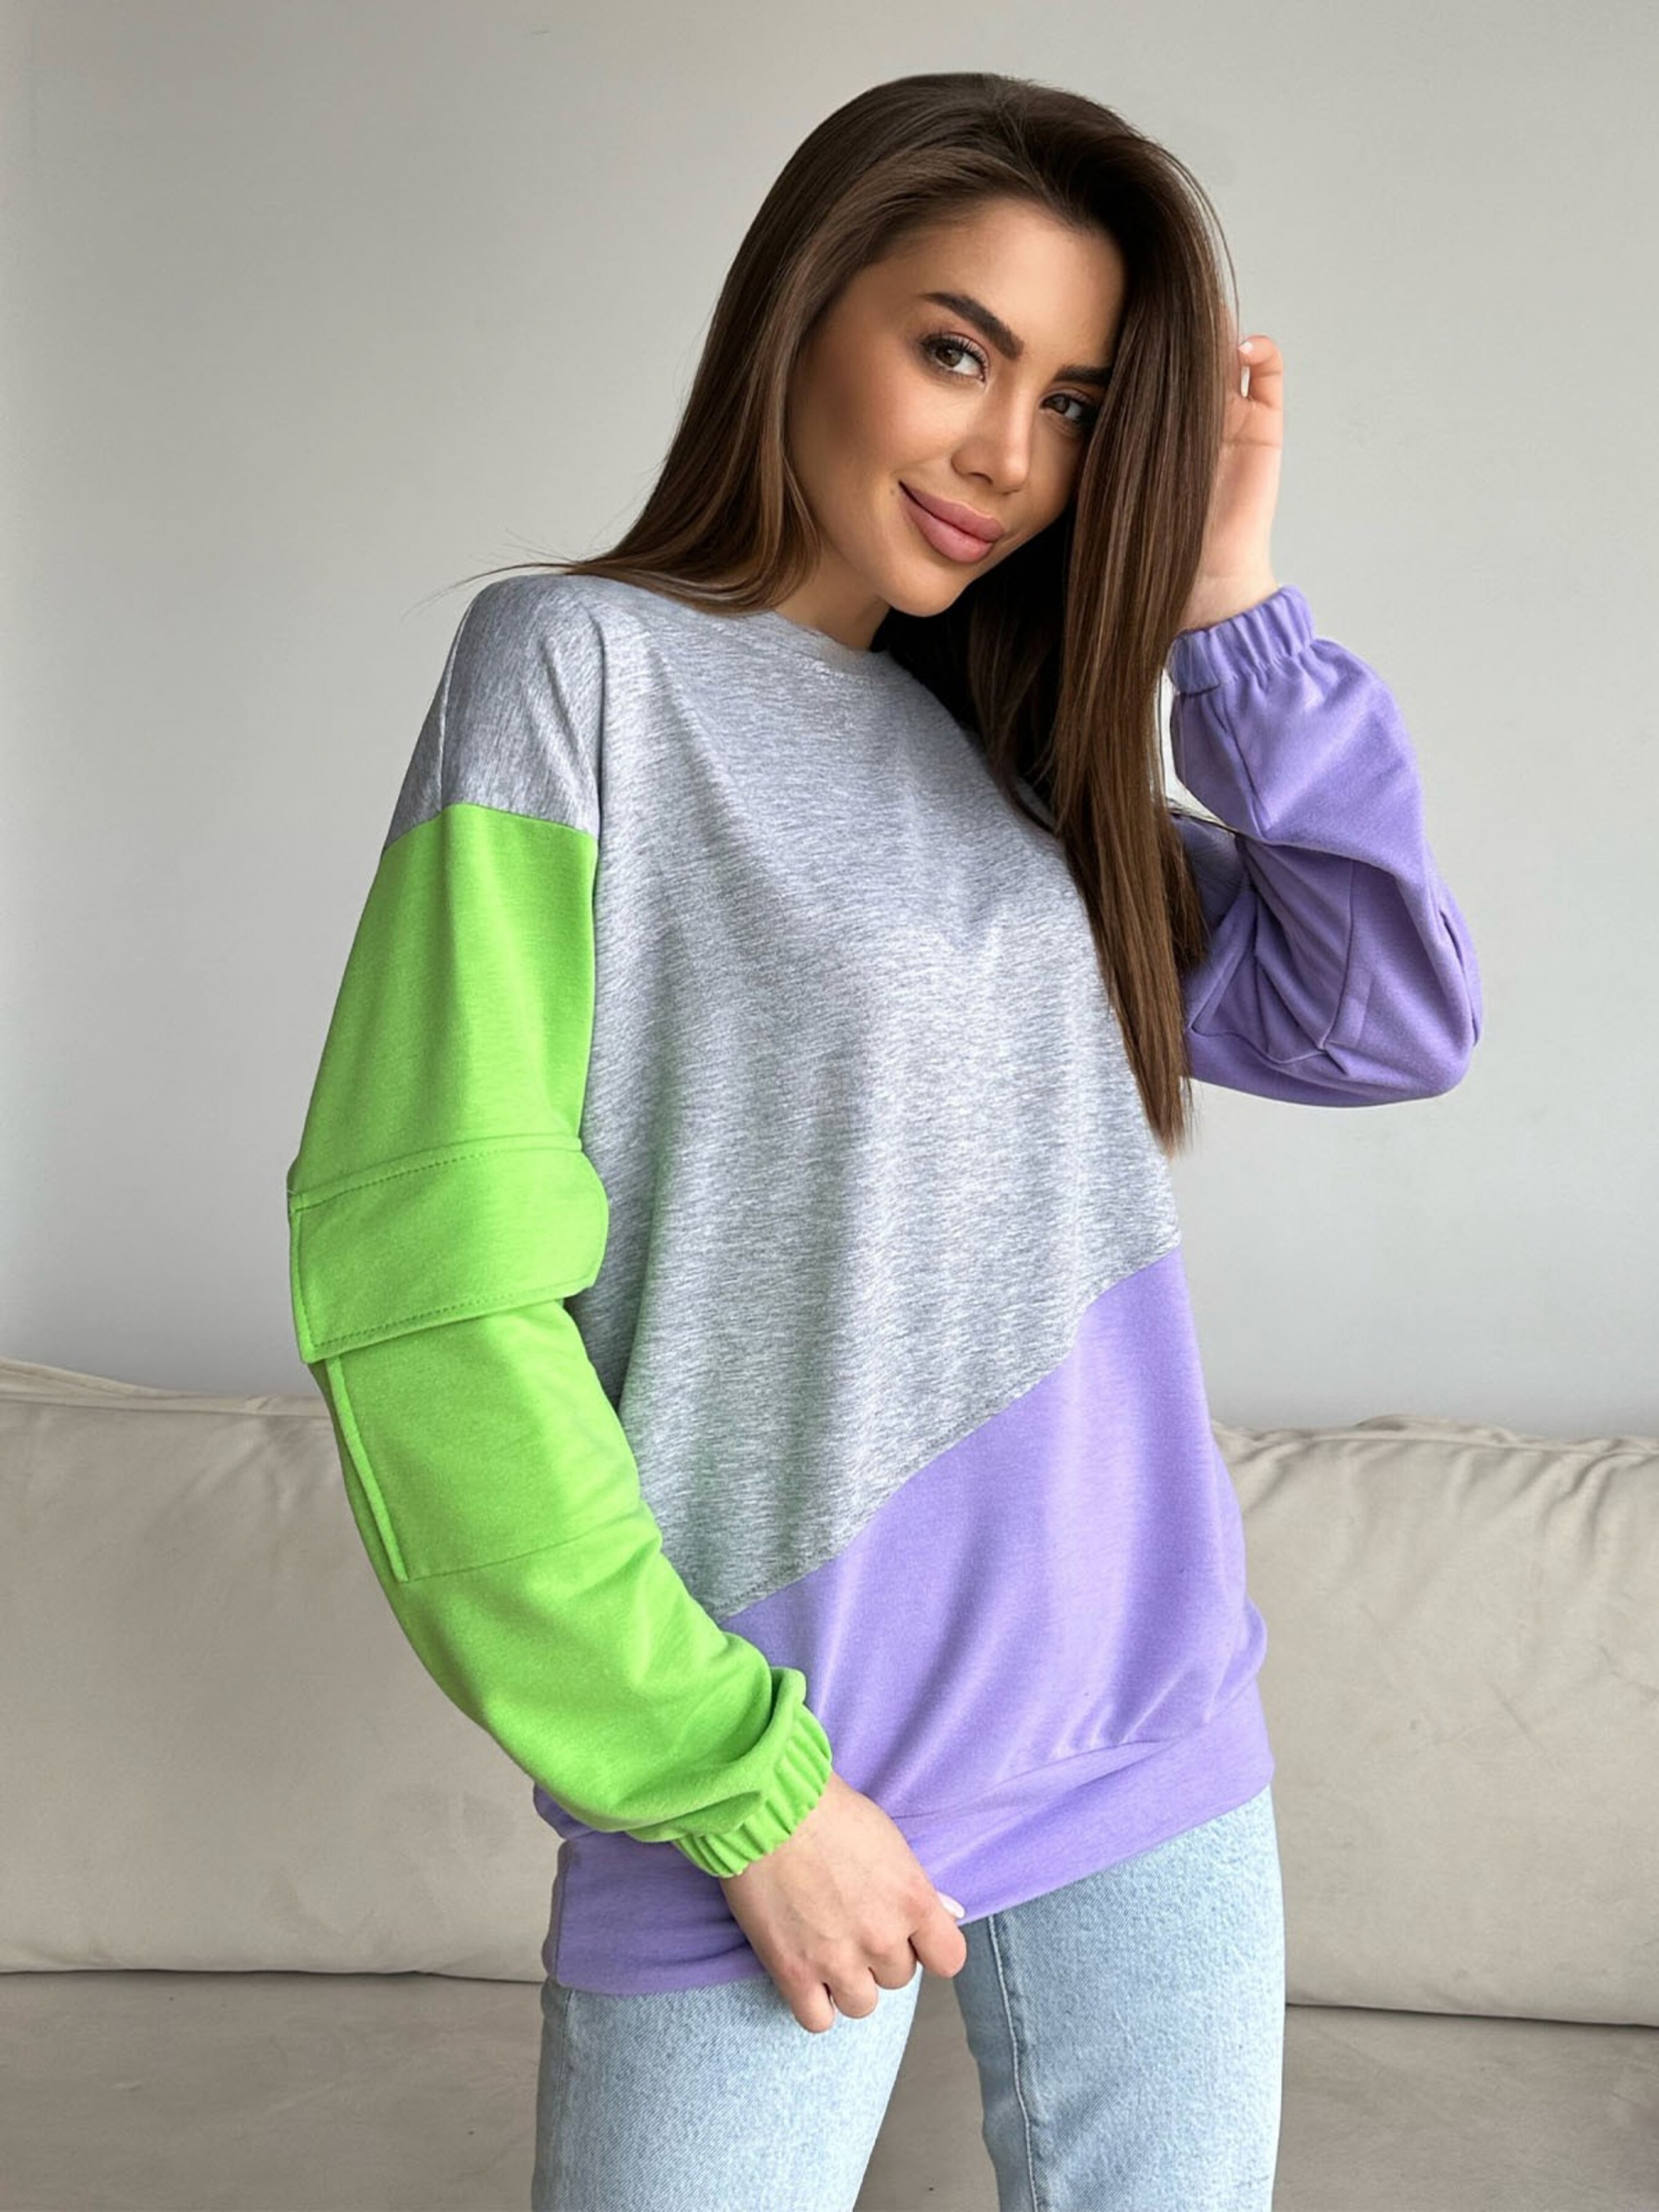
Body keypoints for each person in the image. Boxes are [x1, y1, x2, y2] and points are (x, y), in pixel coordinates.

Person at [284, 68, 1483, 2212]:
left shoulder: (1013, 755)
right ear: (804, 308)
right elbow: (430, 1288)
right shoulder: (577, 672)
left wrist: (1229, 605)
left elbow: (1383, 1013)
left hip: (1146, 1737)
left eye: (1078, 407)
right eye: (956, 350)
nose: (1008, 454)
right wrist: (736, 1786)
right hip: (774, 1774)